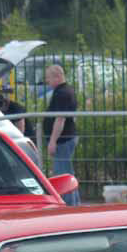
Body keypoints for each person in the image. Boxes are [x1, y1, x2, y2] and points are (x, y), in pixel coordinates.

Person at [43, 65, 80, 205]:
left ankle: (68, 205)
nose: (47, 81)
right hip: (67, 137)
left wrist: (53, 141)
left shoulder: (61, 93)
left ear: (57, 76)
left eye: (49, 77)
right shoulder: (67, 90)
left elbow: (60, 119)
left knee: (62, 175)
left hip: (63, 140)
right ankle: (74, 203)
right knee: (67, 173)